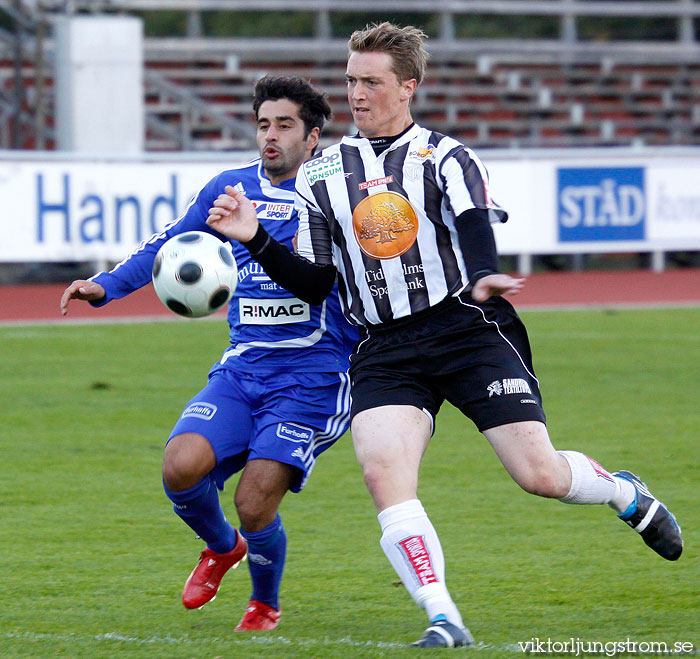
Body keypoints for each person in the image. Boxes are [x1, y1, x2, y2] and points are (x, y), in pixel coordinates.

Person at [205, 24, 684, 649]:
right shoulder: (322, 172)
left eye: (371, 82)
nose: (356, 93)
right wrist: (256, 239)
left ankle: (623, 490)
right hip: (382, 347)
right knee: (384, 474)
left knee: (538, 475)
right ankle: (443, 616)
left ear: (408, 87)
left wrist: (484, 274)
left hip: (465, 327)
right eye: (351, 80)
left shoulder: (445, 158)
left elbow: (473, 221)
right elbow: (320, 282)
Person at [60, 75, 358, 632]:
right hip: (243, 367)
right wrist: (106, 286)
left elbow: (326, 282)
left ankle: (264, 604)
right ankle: (223, 548)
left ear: (313, 137)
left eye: (285, 125)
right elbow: (166, 245)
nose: (270, 136)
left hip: (315, 374)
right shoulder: (230, 187)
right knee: (180, 466)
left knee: (254, 499)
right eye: (264, 124)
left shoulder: (336, 196)